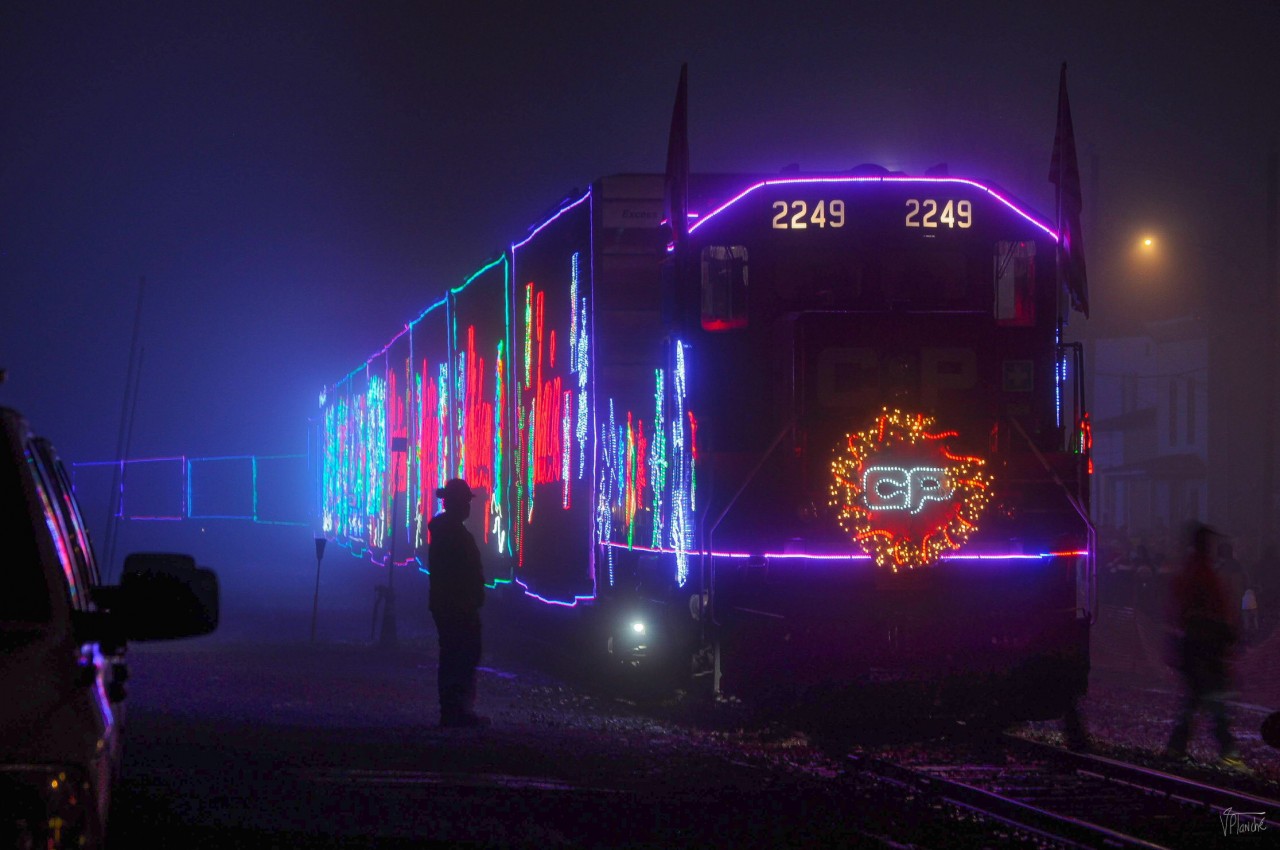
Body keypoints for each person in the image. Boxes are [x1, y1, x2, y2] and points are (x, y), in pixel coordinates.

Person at [1165, 523, 1242, 768]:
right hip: (1205, 648)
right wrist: (1227, 634)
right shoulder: (1204, 574)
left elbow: (1180, 609)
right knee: (1213, 701)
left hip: (1194, 646)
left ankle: (1176, 748)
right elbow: (1213, 610)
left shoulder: (1190, 571)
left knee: (1194, 700)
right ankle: (1228, 753)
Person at [424, 478, 489, 728]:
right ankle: (457, 710)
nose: (469, 507)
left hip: (450, 603)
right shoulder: (453, 535)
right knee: (461, 656)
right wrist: (471, 595)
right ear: (457, 504)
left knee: (454, 655)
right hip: (457, 606)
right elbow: (460, 572)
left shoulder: (445, 531)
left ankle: (453, 709)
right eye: (466, 502)